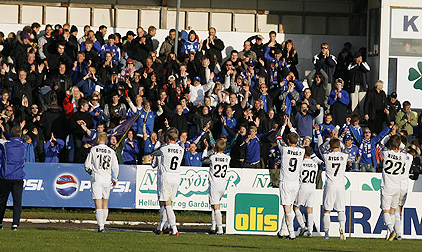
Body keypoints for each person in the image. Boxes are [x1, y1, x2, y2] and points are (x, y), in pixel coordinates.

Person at [276, 117, 305, 240]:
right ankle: (282, 231)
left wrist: (284, 126)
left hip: (286, 182)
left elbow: (278, 137)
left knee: (287, 208)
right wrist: (291, 127)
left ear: (287, 140)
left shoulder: (284, 149)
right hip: (296, 183)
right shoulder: (302, 150)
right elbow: (298, 139)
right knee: (289, 207)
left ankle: (292, 234)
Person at [84, 132, 119, 233]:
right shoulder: (111, 151)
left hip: (97, 178)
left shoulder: (94, 150)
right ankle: (103, 224)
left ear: (98, 140)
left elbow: (87, 165)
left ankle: (101, 226)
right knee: (105, 203)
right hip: (107, 179)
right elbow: (116, 167)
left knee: (98, 203)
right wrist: (115, 179)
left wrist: (91, 172)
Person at [151, 128, 184, 236]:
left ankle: (174, 229)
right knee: (169, 203)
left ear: (168, 138)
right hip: (176, 176)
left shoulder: (164, 149)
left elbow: (154, 153)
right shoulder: (181, 149)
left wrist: (159, 142)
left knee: (167, 204)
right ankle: (161, 226)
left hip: (166, 176)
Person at [319, 137, 348, 240]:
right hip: (340, 186)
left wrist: (329, 140)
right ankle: (342, 229)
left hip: (330, 185)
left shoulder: (327, 155)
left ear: (330, 146)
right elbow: (346, 147)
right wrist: (339, 138)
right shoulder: (344, 155)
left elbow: (321, 147)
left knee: (327, 211)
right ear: (339, 146)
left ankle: (326, 234)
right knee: (341, 210)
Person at [379, 135, 405, 241]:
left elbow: (381, 143)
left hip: (387, 186)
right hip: (397, 186)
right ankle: (389, 235)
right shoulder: (403, 156)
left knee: (385, 210)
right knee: (393, 211)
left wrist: (389, 135)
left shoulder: (386, 153)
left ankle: (391, 230)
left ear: (390, 144)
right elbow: (403, 148)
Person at [0, 126, 26, 230]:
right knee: (17, 202)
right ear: (20, 135)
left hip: (6, 177)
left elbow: (3, 138)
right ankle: (15, 224)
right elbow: (15, 137)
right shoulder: (23, 145)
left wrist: (2, 129)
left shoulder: (5, 144)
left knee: (2, 201)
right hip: (18, 177)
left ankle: (0, 223)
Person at [202, 139, 231, 235]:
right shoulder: (228, 158)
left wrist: (206, 149)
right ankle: (213, 226)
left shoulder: (213, 157)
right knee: (214, 205)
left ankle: (220, 229)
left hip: (214, 182)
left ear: (215, 147)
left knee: (216, 206)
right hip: (223, 183)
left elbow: (203, 159)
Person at [293, 146, 322, 237]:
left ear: (304, 153)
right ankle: (310, 231)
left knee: (296, 207)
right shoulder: (315, 164)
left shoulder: (300, 163)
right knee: (310, 208)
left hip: (303, 186)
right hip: (312, 187)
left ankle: (302, 226)